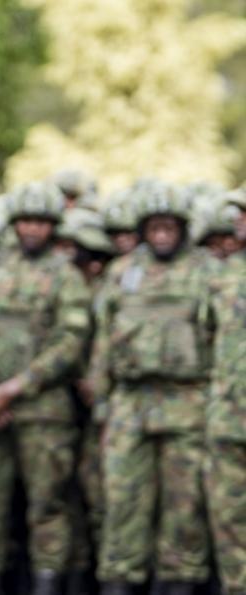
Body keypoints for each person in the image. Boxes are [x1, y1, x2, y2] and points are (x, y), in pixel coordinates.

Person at [0, 181, 91, 595]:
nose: (32, 229)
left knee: (48, 510)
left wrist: (10, 390)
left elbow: (70, 343)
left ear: (53, 226)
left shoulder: (65, 276)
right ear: (14, 223)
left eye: (41, 222)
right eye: (25, 221)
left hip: (43, 413)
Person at [86, 181, 219, 595]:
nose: (161, 235)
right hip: (131, 403)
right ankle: (120, 578)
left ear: (183, 229)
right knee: (123, 502)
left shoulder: (207, 271)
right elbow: (103, 343)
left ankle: (178, 582)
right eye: (154, 227)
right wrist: (101, 405)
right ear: (143, 229)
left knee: (184, 507)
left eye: (169, 227)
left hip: (188, 401)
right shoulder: (123, 272)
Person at [204, 189, 245, 595]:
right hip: (228, 421)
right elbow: (202, 337)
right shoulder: (221, 275)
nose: (241, 221)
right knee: (229, 519)